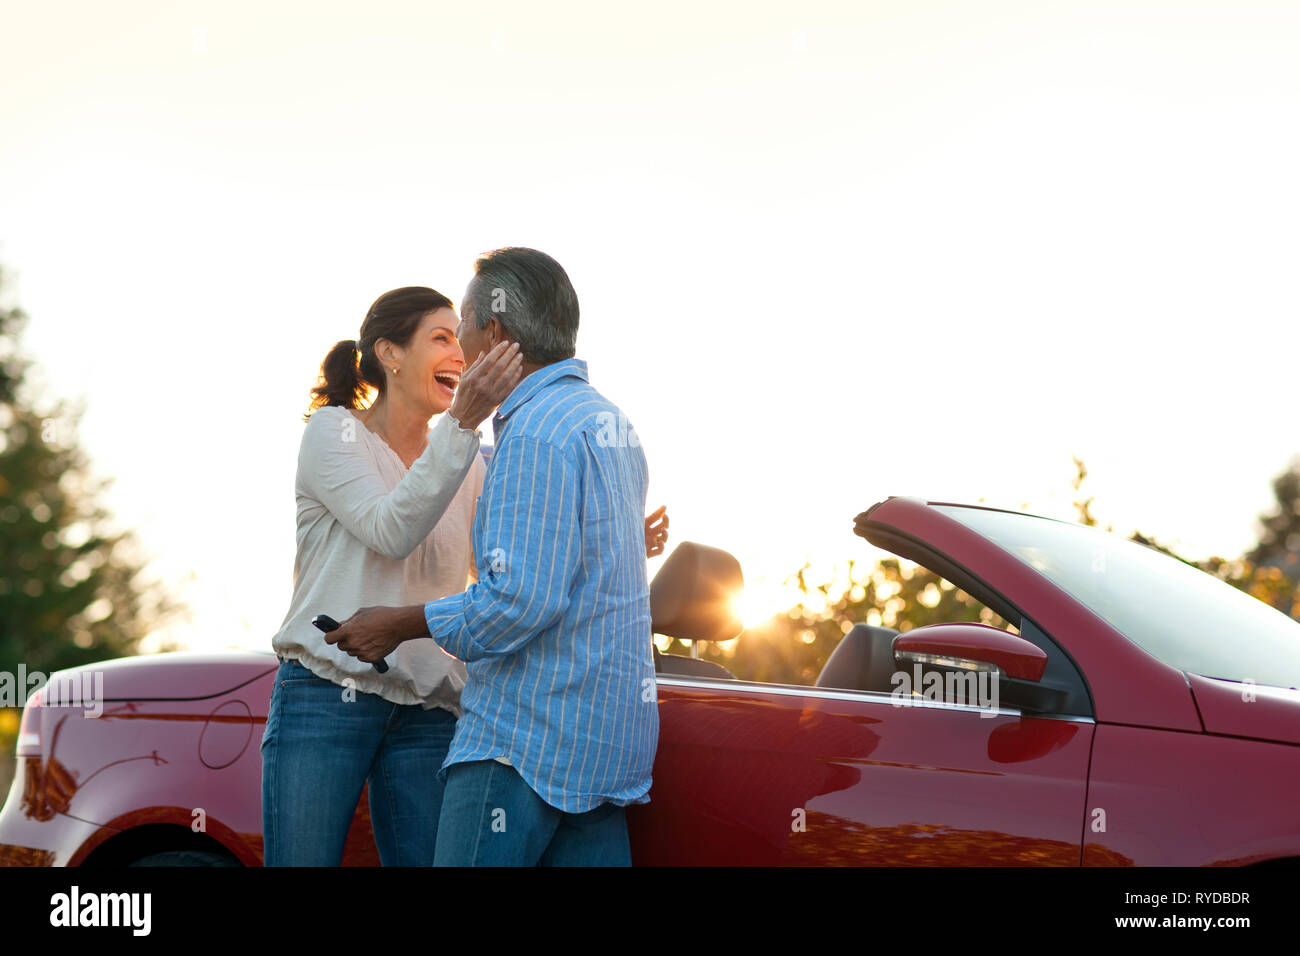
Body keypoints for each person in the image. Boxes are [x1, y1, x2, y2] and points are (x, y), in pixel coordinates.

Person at [327, 247, 660, 866]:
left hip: (523, 747)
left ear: (498, 334)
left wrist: (398, 624)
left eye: (466, 326)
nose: (461, 347)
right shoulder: (612, 425)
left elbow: (518, 600)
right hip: (605, 754)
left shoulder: (533, 432)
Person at [260, 285, 523, 866]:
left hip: (428, 707)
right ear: (390, 353)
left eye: (464, 339)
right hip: (328, 691)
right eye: (441, 338)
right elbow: (390, 528)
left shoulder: (467, 461)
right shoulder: (335, 433)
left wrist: (621, 532)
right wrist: (463, 424)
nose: (462, 353)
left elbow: (510, 564)